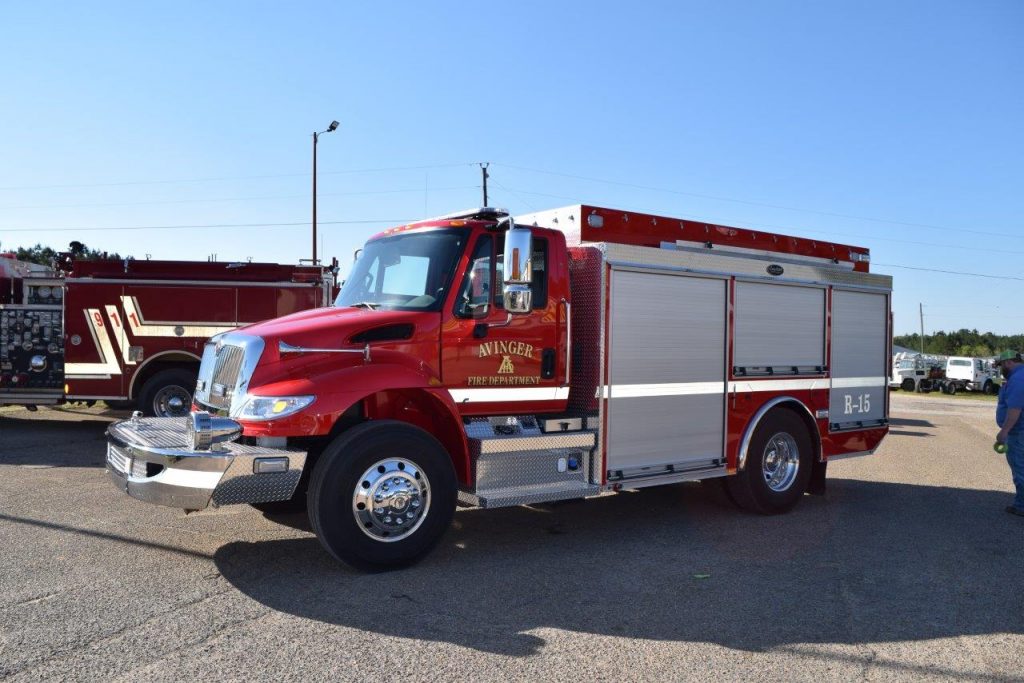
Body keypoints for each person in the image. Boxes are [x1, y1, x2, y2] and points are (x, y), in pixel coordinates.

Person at [995, 350, 1024, 517]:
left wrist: (1004, 431)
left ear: (1008, 362)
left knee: (1019, 467)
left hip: (1018, 431)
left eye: (1001, 365)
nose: (1001, 369)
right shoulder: (1019, 377)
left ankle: (1021, 505)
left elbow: (1015, 409)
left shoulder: (1018, 380)